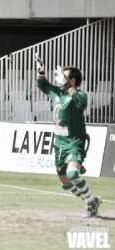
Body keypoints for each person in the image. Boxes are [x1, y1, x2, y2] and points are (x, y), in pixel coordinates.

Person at [35, 53, 101, 218]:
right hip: (59, 143)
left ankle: (90, 204)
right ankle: (91, 200)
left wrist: (66, 85)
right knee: (65, 183)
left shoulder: (78, 96)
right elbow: (42, 85)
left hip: (74, 142)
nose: (58, 79)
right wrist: (40, 71)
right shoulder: (57, 93)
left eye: (62, 77)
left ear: (72, 81)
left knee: (72, 174)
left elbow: (82, 102)